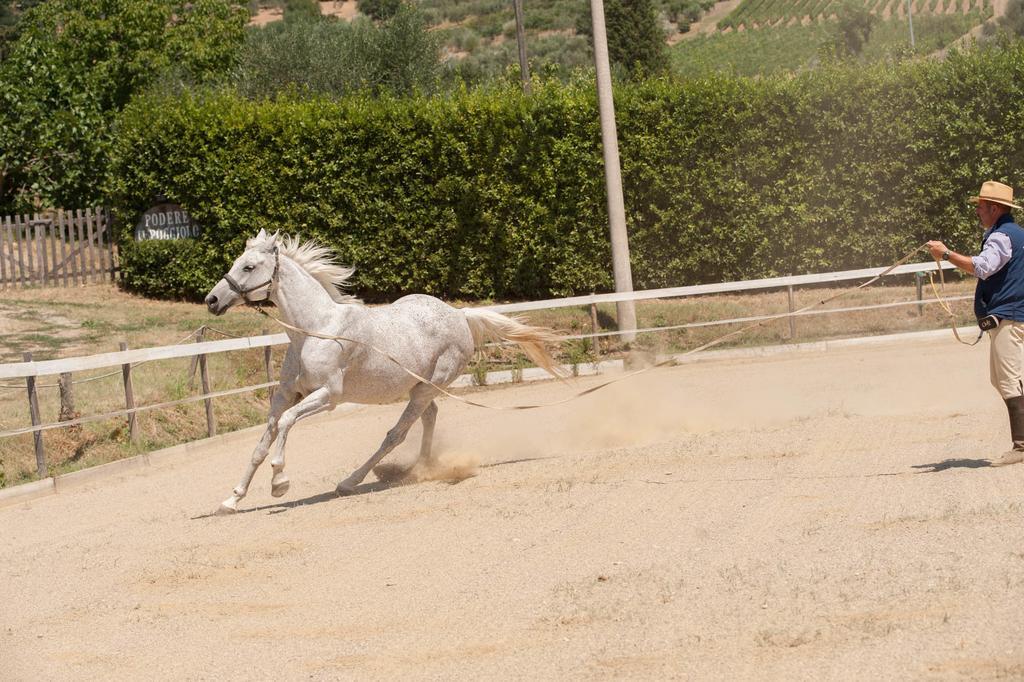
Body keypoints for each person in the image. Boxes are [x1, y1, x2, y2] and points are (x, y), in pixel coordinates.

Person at [927, 180, 1024, 467]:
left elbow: (982, 267)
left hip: (1010, 316)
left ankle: (1021, 447)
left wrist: (946, 255)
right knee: (1002, 379)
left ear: (994, 208)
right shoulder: (1014, 234)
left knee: (1009, 381)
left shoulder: (1001, 237)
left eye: (980, 208)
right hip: (1010, 314)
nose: (978, 213)